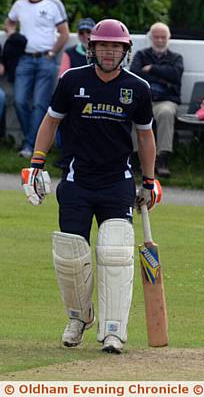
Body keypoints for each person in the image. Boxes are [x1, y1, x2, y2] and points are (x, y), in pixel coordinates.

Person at [20, 19, 159, 354]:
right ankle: (78, 318)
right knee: (70, 256)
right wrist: (36, 162)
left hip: (117, 182)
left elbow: (145, 135)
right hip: (76, 180)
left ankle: (114, 330)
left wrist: (150, 179)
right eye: (103, 46)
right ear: (92, 48)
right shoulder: (72, 80)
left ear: (125, 51)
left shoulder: (137, 88)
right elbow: (51, 121)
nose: (109, 52)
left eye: (116, 47)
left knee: (115, 254)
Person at [5, 0, 69, 158]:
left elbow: (64, 33)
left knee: (40, 105)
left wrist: (51, 53)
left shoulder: (53, 4)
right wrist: (12, 34)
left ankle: (30, 146)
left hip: (46, 60)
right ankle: (32, 141)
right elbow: (9, 23)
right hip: (24, 59)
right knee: (19, 101)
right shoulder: (19, 4)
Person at [130, 22, 184, 178]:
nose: (160, 40)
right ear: (150, 38)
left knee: (166, 113)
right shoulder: (141, 55)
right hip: (144, 100)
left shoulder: (176, 58)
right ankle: (136, 159)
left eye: (163, 37)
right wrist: (163, 78)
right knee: (133, 114)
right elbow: (135, 75)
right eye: (156, 37)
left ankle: (162, 160)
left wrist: (152, 68)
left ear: (168, 38)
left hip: (166, 100)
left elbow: (176, 74)